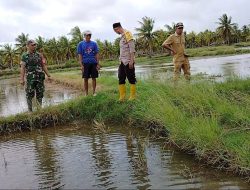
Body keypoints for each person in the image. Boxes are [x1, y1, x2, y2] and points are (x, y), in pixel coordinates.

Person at [20, 40, 51, 112]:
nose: (34, 46)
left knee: (40, 93)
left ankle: (39, 109)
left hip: (40, 77)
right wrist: (21, 79)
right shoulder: (24, 56)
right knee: (29, 93)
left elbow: (43, 66)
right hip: (30, 78)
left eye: (35, 44)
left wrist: (48, 75)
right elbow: (22, 68)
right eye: (33, 45)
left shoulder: (39, 55)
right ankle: (30, 111)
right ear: (27, 46)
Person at [113, 22, 136, 101]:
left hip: (128, 61)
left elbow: (132, 48)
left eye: (115, 31)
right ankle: (122, 97)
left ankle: (132, 96)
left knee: (131, 78)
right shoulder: (121, 36)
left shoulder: (127, 34)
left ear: (117, 28)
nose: (116, 32)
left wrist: (131, 61)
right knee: (121, 78)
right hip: (122, 61)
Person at [77, 30, 100, 96]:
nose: (88, 36)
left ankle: (94, 92)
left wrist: (98, 64)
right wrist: (81, 65)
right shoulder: (80, 44)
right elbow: (80, 55)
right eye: (87, 35)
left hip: (93, 63)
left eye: (89, 35)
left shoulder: (94, 44)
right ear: (84, 36)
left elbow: (97, 54)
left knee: (94, 78)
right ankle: (86, 93)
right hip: (85, 63)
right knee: (85, 78)